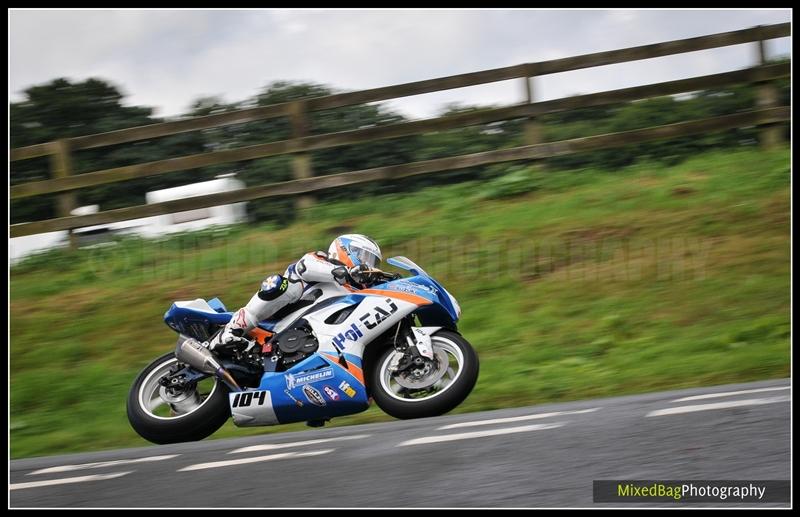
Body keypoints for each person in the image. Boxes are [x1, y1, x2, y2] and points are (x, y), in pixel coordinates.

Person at [206, 234, 383, 350]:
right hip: (276, 321)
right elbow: (304, 267)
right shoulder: (320, 260)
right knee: (281, 284)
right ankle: (231, 330)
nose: (368, 265)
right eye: (364, 257)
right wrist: (342, 272)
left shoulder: (355, 289)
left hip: (309, 336)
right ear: (344, 250)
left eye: (373, 262)